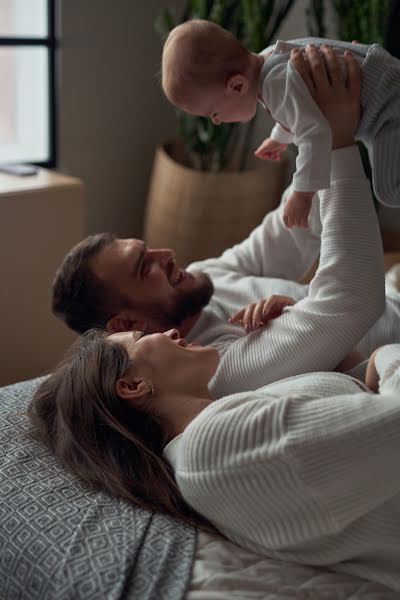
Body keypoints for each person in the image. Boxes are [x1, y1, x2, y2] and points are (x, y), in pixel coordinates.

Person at [52, 47, 391, 399]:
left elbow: (295, 229)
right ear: (126, 325)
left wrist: (309, 123)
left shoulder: (202, 279)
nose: (165, 253)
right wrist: (337, 142)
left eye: (147, 249)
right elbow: (352, 301)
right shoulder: (219, 369)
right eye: (143, 267)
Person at [28, 326, 400, 592]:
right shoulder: (214, 448)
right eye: (141, 338)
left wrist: (364, 370)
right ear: (132, 385)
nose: (171, 332)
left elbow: (347, 412)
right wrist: (386, 356)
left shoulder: (221, 421)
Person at [161, 20, 400, 228]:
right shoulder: (269, 60)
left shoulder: (275, 85)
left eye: (213, 112)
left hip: (386, 105)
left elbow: (313, 133)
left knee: (389, 191)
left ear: (237, 86)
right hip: (382, 90)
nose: (216, 121)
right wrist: (280, 137)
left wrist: (302, 194)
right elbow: (301, 110)